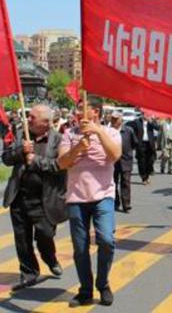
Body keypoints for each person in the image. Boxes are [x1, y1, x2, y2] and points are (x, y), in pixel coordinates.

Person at [58, 97, 122, 307]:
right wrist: (78, 148)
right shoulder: (69, 134)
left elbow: (114, 155)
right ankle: (85, 290)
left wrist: (98, 132)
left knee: (106, 240)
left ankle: (102, 284)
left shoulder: (111, 132)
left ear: (96, 112)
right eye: (77, 110)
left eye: (83, 109)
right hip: (76, 197)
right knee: (80, 247)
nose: (78, 114)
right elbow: (62, 163)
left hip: (103, 196)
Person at [2, 104, 67, 290]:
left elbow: (60, 166)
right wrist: (20, 151)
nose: (27, 119)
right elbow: (6, 158)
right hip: (19, 196)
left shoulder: (59, 140)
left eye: (32, 117)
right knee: (22, 238)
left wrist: (36, 160)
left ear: (46, 122)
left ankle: (49, 257)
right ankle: (29, 272)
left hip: (44, 200)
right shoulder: (22, 135)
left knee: (45, 235)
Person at [112, 112, 138, 213]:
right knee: (113, 182)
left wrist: (128, 152)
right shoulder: (108, 131)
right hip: (113, 161)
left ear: (121, 120)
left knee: (126, 182)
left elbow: (134, 143)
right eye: (113, 119)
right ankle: (115, 202)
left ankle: (126, 204)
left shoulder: (128, 130)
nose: (114, 121)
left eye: (116, 119)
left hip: (126, 160)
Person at [128, 113, 157, 185]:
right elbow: (128, 125)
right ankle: (144, 178)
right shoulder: (137, 122)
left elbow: (158, 128)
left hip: (150, 144)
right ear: (142, 115)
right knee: (141, 161)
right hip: (141, 144)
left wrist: (151, 121)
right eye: (145, 114)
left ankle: (148, 174)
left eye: (147, 114)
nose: (146, 116)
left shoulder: (151, 122)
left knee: (150, 160)